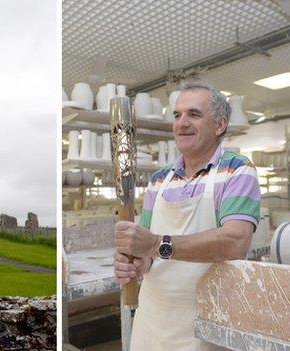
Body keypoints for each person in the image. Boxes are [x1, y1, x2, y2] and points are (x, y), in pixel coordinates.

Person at [114, 80, 260, 350]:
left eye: (194, 114)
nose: (182, 122)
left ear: (220, 125)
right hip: (153, 320)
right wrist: (133, 263)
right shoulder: (159, 180)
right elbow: (147, 258)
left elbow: (235, 242)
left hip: (205, 322)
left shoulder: (237, 170)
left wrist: (157, 244)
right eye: (177, 115)